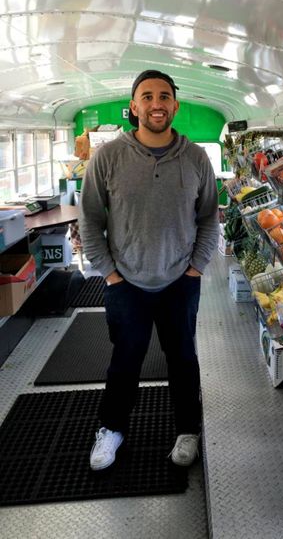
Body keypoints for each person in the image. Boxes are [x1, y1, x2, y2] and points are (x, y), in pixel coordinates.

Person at [79, 69, 219, 470]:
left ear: (175, 105)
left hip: (180, 280)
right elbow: (90, 219)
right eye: (147, 96)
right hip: (126, 282)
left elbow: (209, 216)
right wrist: (109, 273)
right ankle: (112, 429)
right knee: (126, 359)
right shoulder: (108, 157)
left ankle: (187, 429)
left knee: (182, 360)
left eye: (164, 96)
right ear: (134, 106)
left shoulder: (195, 158)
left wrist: (196, 268)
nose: (156, 104)